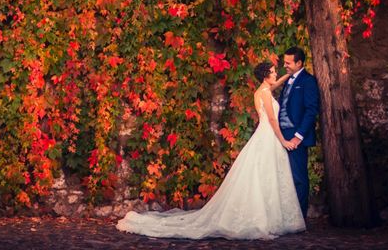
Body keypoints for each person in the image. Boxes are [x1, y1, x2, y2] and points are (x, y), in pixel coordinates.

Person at [116, 61, 306, 240]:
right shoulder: (265, 92)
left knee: (265, 175)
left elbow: (272, 87)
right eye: (273, 72)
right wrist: (283, 140)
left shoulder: (261, 90)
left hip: (263, 135)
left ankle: (268, 216)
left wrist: (288, 76)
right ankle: (266, 217)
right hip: (269, 135)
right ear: (266, 75)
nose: (276, 74)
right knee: (266, 175)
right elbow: (273, 120)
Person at [277, 46, 320, 219]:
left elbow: (311, 110)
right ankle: (286, 216)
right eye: (284, 61)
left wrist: (298, 137)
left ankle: (299, 218)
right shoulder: (288, 79)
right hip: (282, 135)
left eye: (288, 62)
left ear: (299, 63)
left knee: (298, 177)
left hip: (296, 137)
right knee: (284, 177)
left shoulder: (308, 81)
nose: (285, 65)